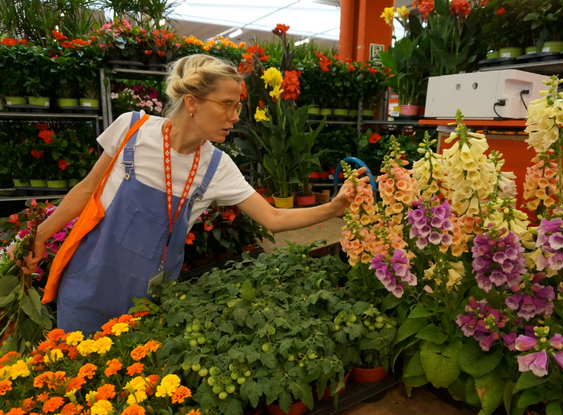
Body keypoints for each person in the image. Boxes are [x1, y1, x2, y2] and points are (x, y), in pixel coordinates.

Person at [9, 54, 363, 337]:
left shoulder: (216, 168)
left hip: (145, 303)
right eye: (227, 104)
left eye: (237, 105)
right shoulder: (132, 129)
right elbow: (86, 190)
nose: (235, 116)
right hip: (86, 289)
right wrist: (39, 236)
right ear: (192, 102)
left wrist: (333, 208)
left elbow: (273, 218)